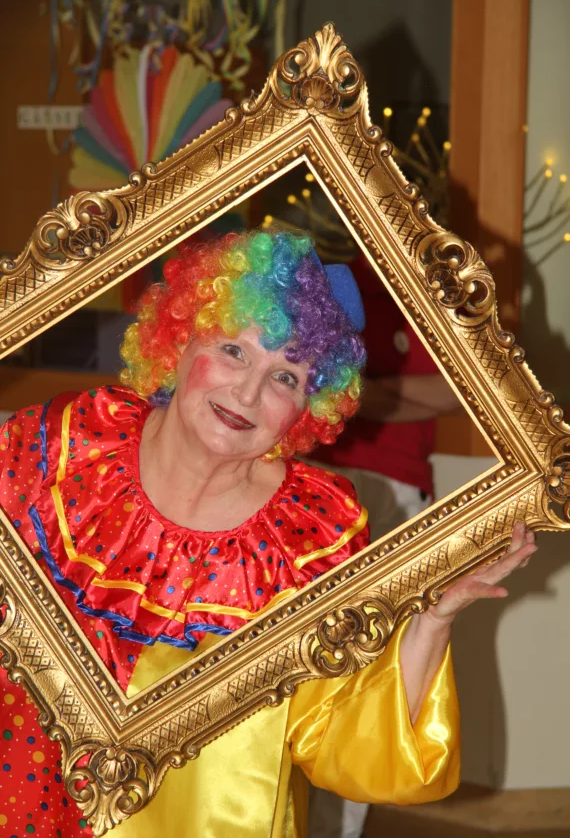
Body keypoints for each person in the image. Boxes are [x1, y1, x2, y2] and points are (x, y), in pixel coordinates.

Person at [0, 230, 536, 838]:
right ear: (180, 340)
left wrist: (432, 618)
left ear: (309, 407)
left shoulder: (309, 538)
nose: (248, 393)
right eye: (234, 350)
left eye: (286, 378)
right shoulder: (66, 448)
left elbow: (345, 736)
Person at [308, 252, 461, 838]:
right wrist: (379, 396)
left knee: (373, 673)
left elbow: (461, 388)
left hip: (397, 493)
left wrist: (355, 394)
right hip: (312, 482)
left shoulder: (438, 285)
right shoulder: (327, 281)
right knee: (305, 670)